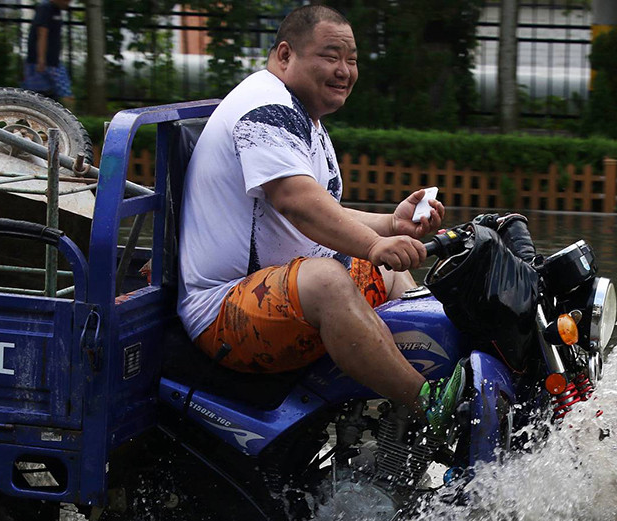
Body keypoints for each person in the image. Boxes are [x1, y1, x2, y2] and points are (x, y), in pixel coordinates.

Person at [177, 6, 463, 437]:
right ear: (286, 54)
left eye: (352, 59)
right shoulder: (266, 108)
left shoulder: (300, 114)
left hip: (276, 289)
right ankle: (431, 406)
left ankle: (418, 406)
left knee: (383, 274)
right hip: (223, 312)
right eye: (331, 56)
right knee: (330, 279)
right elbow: (297, 202)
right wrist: (372, 245)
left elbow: (319, 210)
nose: (345, 71)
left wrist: (389, 224)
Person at [22, 0, 75, 108]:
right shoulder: (45, 8)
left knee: (55, 93)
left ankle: (69, 119)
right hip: (42, 62)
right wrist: (41, 59)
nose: (69, 3)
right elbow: (42, 33)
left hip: (51, 61)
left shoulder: (57, 10)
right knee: (36, 95)